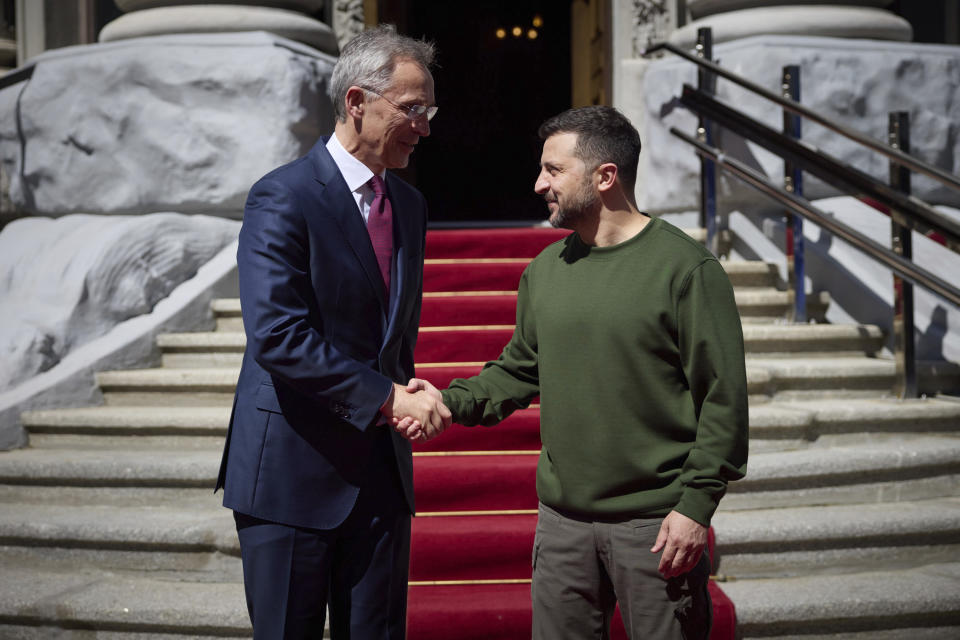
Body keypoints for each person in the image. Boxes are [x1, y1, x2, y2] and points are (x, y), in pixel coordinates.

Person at [397, 106, 748, 639]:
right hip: (562, 527)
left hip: (655, 525)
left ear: (605, 176)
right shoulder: (545, 271)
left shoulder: (687, 270)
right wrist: (448, 401)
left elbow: (723, 399)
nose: (539, 184)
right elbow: (517, 371)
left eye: (553, 170)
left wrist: (696, 507)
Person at [215, 25, 450, 640]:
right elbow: (278, 335)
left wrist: (407, 385)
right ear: (356, 102)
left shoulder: (410, 205)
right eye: (411, 108)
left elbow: (388, 329)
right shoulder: (283, 196)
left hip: (380, 480)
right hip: (292, 476)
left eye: (429, 109)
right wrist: (385, 397)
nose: (425, 125)